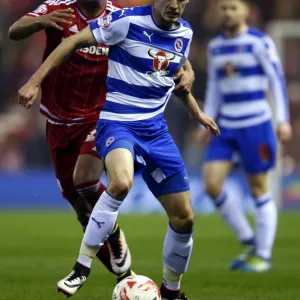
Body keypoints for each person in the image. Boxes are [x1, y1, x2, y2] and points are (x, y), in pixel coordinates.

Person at [18, 0, 220, 298]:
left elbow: (170, 78)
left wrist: (195, 112)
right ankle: (81, 266)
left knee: (184, 217)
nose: (174, 5)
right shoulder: (124, 20)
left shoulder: (185, 34)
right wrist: (34, 81)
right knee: (117, 183)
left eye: (181, 0)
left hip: (155, 131)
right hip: (116, 123)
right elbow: (73, 40)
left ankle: (172, 292)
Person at [199, 0, 292, 272]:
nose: (227, 13)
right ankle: (249, 240)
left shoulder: (259, 42)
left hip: (256, 124)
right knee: (211, 184)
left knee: (258, 187)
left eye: (233, 8)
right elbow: (215, 86)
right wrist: (207, 118)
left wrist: (283, 120)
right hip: (226, 125)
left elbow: (277, 80)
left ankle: (262, 255)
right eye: (224, 8)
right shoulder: (216, 47)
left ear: (246, 12)